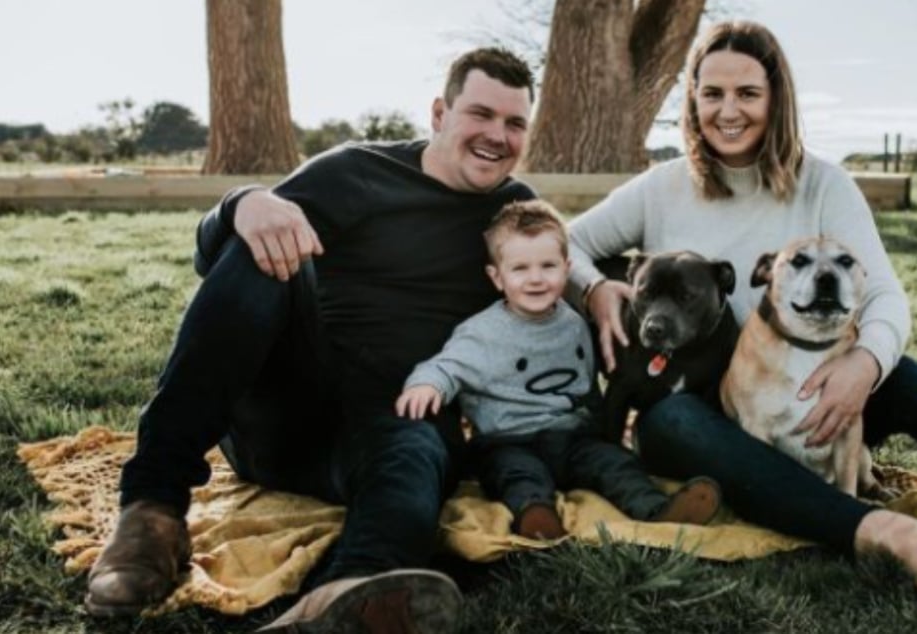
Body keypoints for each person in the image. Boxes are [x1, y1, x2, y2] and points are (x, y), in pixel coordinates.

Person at [85, 47, 539, 632]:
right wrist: (239, 204)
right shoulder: (357, 171)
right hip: (287, 409)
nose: (497, 136)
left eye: (515, 123)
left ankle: (345, 595)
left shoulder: (515, 211)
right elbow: (216, 258)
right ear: (439, 113)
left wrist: (601, 288)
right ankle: (152, 511)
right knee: (266, 244)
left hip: (397, 420)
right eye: (481, 114)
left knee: (419, 450)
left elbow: (567, 275)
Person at [567, 20, 917, 579]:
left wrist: (865, 362)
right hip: (710, 417)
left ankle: (802, 490)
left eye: (748, 93)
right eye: (712, 94)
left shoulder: (825, 183)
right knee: (673, 421)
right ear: (693, 101)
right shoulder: (663, 186)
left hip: (821, 405)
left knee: (904, 375)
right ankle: (868, 529)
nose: (728, 111)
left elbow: (884, 296)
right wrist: (594, 288)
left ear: (777, 99)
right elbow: (570, 242)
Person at [396, 200, 722, 540]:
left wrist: (599, 429)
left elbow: (586, 384)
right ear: (496, 277)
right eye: (520, 269)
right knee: (517, 475)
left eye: (548, 266)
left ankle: (658, 510)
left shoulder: (574, 323)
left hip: (572, 439)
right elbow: (446, 367)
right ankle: (535, 516)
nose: (536, 279)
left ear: (567, 270)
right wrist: (427, 386)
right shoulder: (482, 333)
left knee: (616, 465)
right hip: (509, 441)